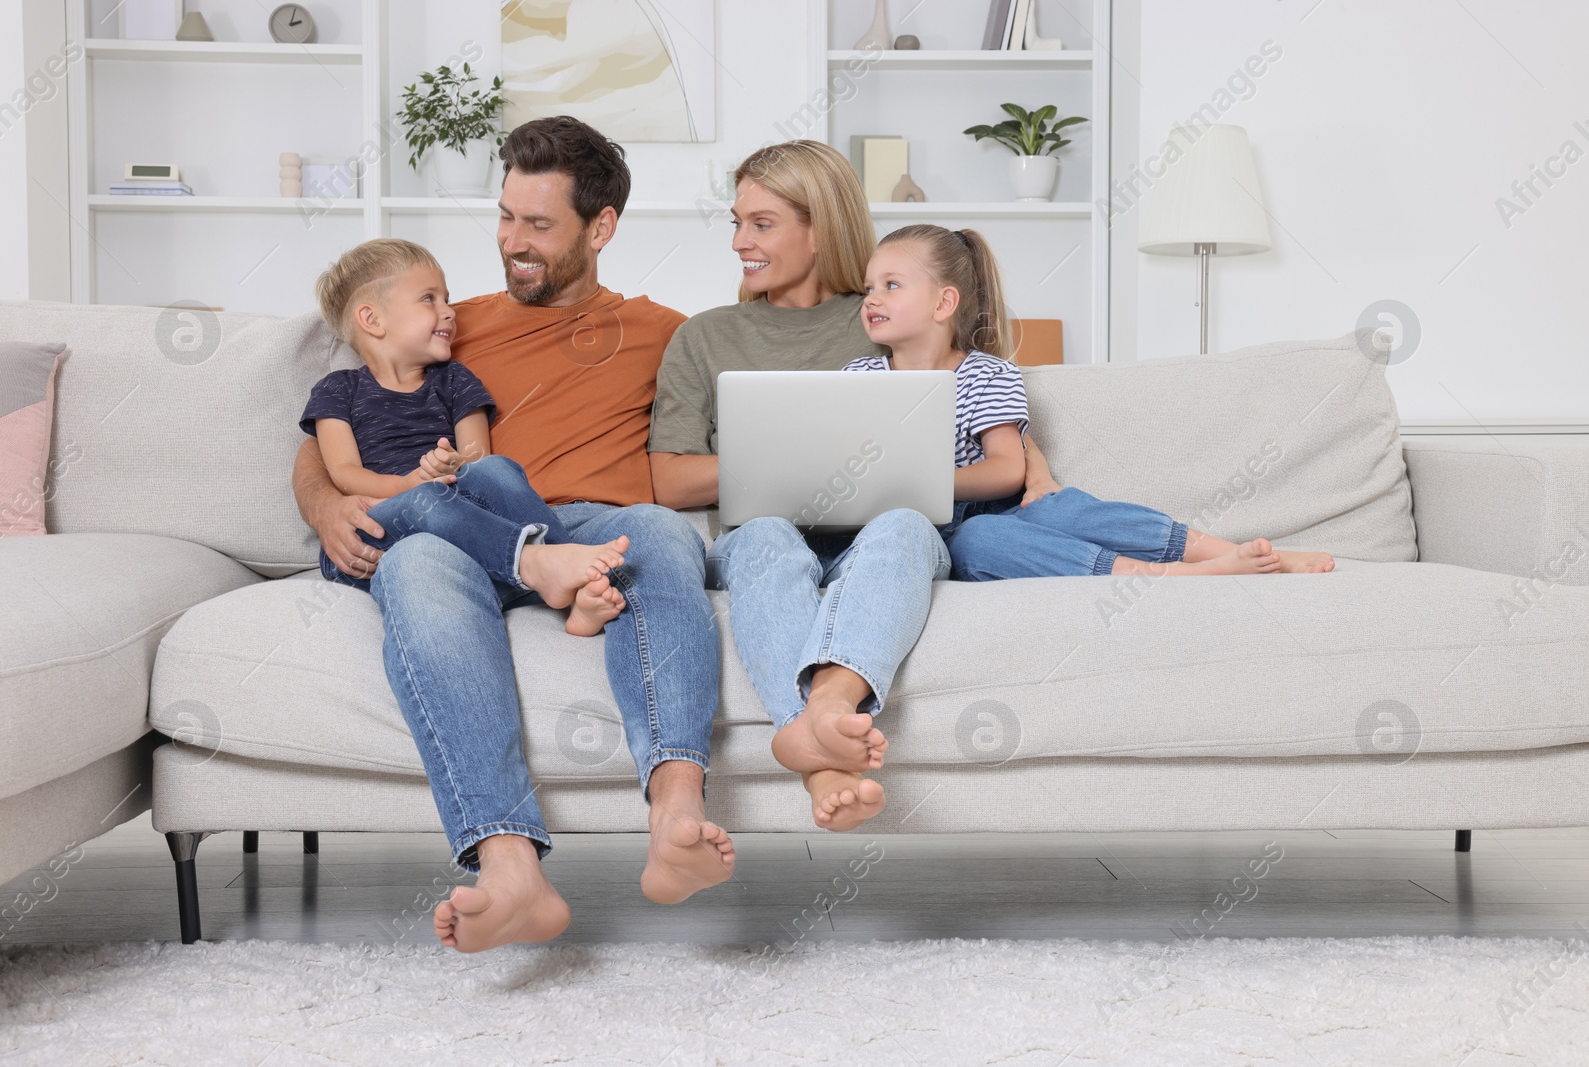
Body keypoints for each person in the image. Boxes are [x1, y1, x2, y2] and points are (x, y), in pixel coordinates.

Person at [291, 117, 734, 953]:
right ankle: (510, 869)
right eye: (505, 217)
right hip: (459, 526)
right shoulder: (447, 323)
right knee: (416, 557)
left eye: (538, 225)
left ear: (600, 228)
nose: (512, 243)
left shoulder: (666, 333)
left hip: (594, 526)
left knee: (661, 531)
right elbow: (325, 440)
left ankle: (677, 811)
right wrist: (322, 504)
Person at [651, 140, 945, 836]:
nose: (739, 242)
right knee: (763, 535)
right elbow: (670, 477)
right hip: (763, 537)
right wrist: (796, 469)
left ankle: (820, 717)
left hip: (875, 534)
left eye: (762, 223)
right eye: (736, 222)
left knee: (907, 525)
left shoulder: (883, 317)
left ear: (822, 228)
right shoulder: (705, 337)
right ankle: (823, 757)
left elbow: (962, 407)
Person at [855, 223, 1336, 580]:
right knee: (980, 543)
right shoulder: (857, 380)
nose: (872, 299)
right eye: (869, 288)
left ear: (943, 304)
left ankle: (1224, 554)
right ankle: (1140, 572)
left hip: (988, 512)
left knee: (1057, 509)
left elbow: (1007, 469)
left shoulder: (986, 374)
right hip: (923, 540)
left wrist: (922, 483)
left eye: (891, 285)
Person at [302, 237, 627, 636]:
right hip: (371, 537)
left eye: (446, 299)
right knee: (430, 498)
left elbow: (477, 464)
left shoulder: (454, 380)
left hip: (452, 522)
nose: (448, 312)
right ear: (371, 320)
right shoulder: (339, 389)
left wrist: (456, 464)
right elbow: (344, 472)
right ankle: (546, 566)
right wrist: (407, 486)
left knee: (499, 469)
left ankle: (572, 582)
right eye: (429, 299)